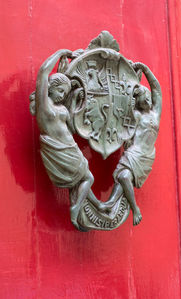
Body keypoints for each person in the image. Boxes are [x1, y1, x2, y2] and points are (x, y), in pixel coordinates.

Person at [33, 49, 102, 229]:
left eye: (65, 93)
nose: (63, 95)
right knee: (88, 178)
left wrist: (75, 101)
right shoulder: (44, 107)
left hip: (71, 147)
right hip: (60, 150)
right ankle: (76, 208)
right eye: (61, 91)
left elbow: (70, 127)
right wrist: (59, 53)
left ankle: (95, 205)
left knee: (85, 178)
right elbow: (43, 73)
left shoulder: (60, 107)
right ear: (51, 88)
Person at [103, 62, 162, 226]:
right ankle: (135, 209)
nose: (148, 99)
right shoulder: (136, 115)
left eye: (148, 97)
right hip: (134, 153)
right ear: (139, 101)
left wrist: (146, 70)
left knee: (123, 177)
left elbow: (157, 89)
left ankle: (110, 204)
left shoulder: (156, 113)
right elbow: (122, 110)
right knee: (123, 176)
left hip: (147, 156)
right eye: (144, 98)